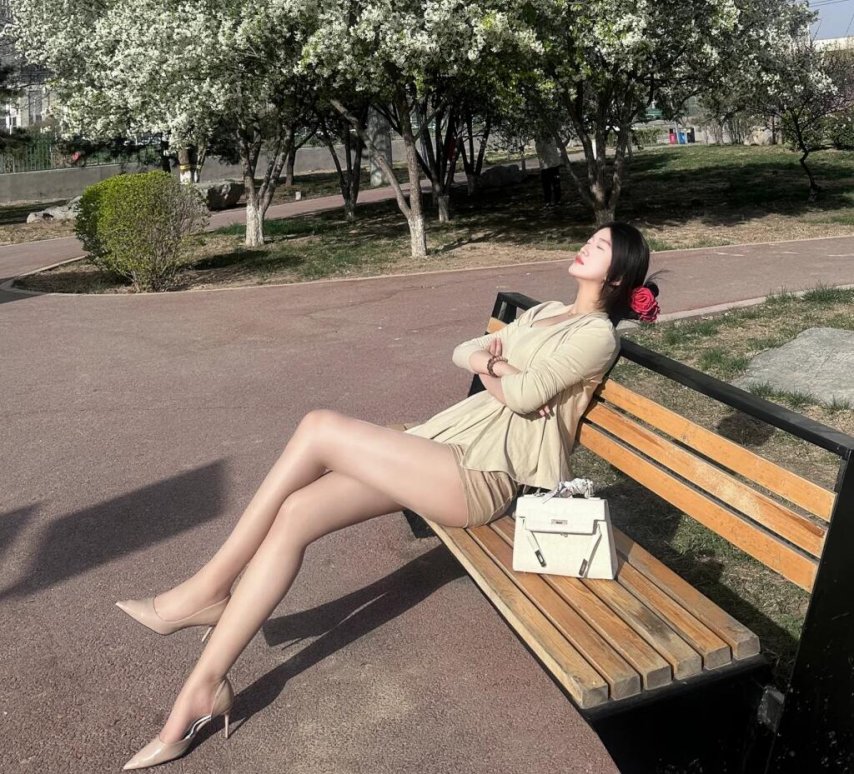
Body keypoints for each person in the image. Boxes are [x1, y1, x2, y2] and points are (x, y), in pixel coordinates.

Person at [116, 221, 661, 770]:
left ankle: (208, 588)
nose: (585, 245)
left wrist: (497, 367)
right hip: (440, 449)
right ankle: (202, 689)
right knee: (298, 511)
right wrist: (495, 365)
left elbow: (524, 396)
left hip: (482, 475)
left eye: (599, 246)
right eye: (590, 238)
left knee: (318, 427)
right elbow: (465, 351)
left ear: (617, 275)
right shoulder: (545, 312)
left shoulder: (597, 336)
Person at [534, 134, 563, 207]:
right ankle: (548, 201)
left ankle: (558, 200)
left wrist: (568, 139)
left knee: (557, 185)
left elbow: (560, 147)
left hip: (555, 166)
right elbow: (540, 150)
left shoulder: (553, 140)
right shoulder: (539, 142)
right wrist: (544, 140)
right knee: (546, 186)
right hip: (545, 168)